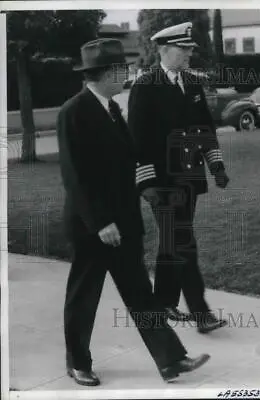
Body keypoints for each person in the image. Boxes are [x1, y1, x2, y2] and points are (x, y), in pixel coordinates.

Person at [56, 38, 210, 387]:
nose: (126, 74)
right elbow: (75, 178)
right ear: (106, 72)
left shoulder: (111, 108)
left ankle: (171, 360)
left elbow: (129, 160)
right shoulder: (74, 112)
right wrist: (101, 223)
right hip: (93, 228)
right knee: (84, 297)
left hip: (124, 224)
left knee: (141, 294)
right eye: (121, 69)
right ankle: (77, 362)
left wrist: (141, 194)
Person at [128, 22, 229, 334]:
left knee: (172, 242)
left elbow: (206, 130)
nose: (188, 54)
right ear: (163, 49)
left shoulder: (193, 84)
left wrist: (216, 166)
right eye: (182, 49)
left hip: (190, 180)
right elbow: (137, 141)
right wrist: (146, 184)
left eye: (189, 49)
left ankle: (163, 302)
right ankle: (201, 314)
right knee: (184, 242)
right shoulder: (145, 86)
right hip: (162, 184)